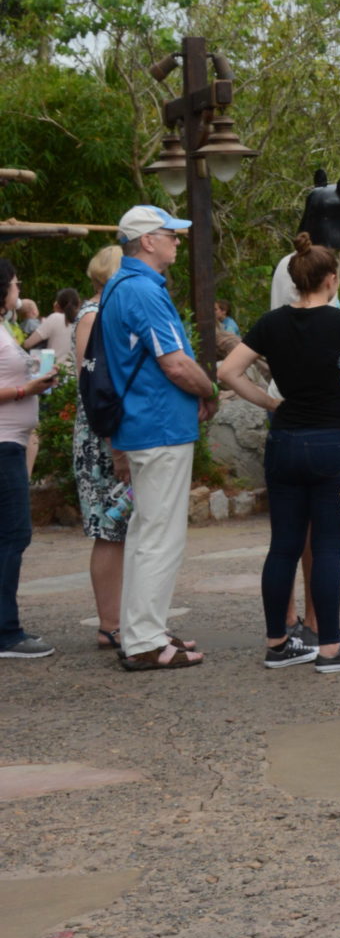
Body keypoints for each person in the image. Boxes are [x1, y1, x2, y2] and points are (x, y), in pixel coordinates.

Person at [217, 233, 340, 670]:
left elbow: (229, 371)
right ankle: (330, 648)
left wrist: (270, 401)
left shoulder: (272, 323)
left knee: (283, 546)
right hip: (334, 441)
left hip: (286, 440)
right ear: (331, 280)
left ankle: (278, 643)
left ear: (295, 281)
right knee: (328, 548)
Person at [103, 205, 217, 671]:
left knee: (145, 532)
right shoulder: (145, 291)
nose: (177, 241)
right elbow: (175, 362)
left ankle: (143, 630)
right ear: (147, 241)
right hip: (160, 425)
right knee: (159, 536)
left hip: (141, 424)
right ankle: (145, 641)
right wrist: (210, 390)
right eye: (170, 234)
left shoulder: (117, 287)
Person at [0, 258, 61, 659]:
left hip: (12, 440)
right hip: (3, 443)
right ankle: (7, 631)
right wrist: (27, 390)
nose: (19, 290)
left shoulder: (6, 327)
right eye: (16, 284)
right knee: (14, 534)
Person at [72, 245, 131, 649]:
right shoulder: (92, 316)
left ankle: (123, 617)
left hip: (113, 432)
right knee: (109, 528)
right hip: (101, 437)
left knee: (121, 527)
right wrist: (114, 444)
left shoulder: (106, 313)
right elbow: (93, 384)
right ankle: (110, 621)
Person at [25, 289, 81, 369]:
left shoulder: (55, 318)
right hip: (75, 375)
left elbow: (27, 344)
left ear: (57, 305)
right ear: (78, 303)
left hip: (53, 373)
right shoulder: (83, 320)